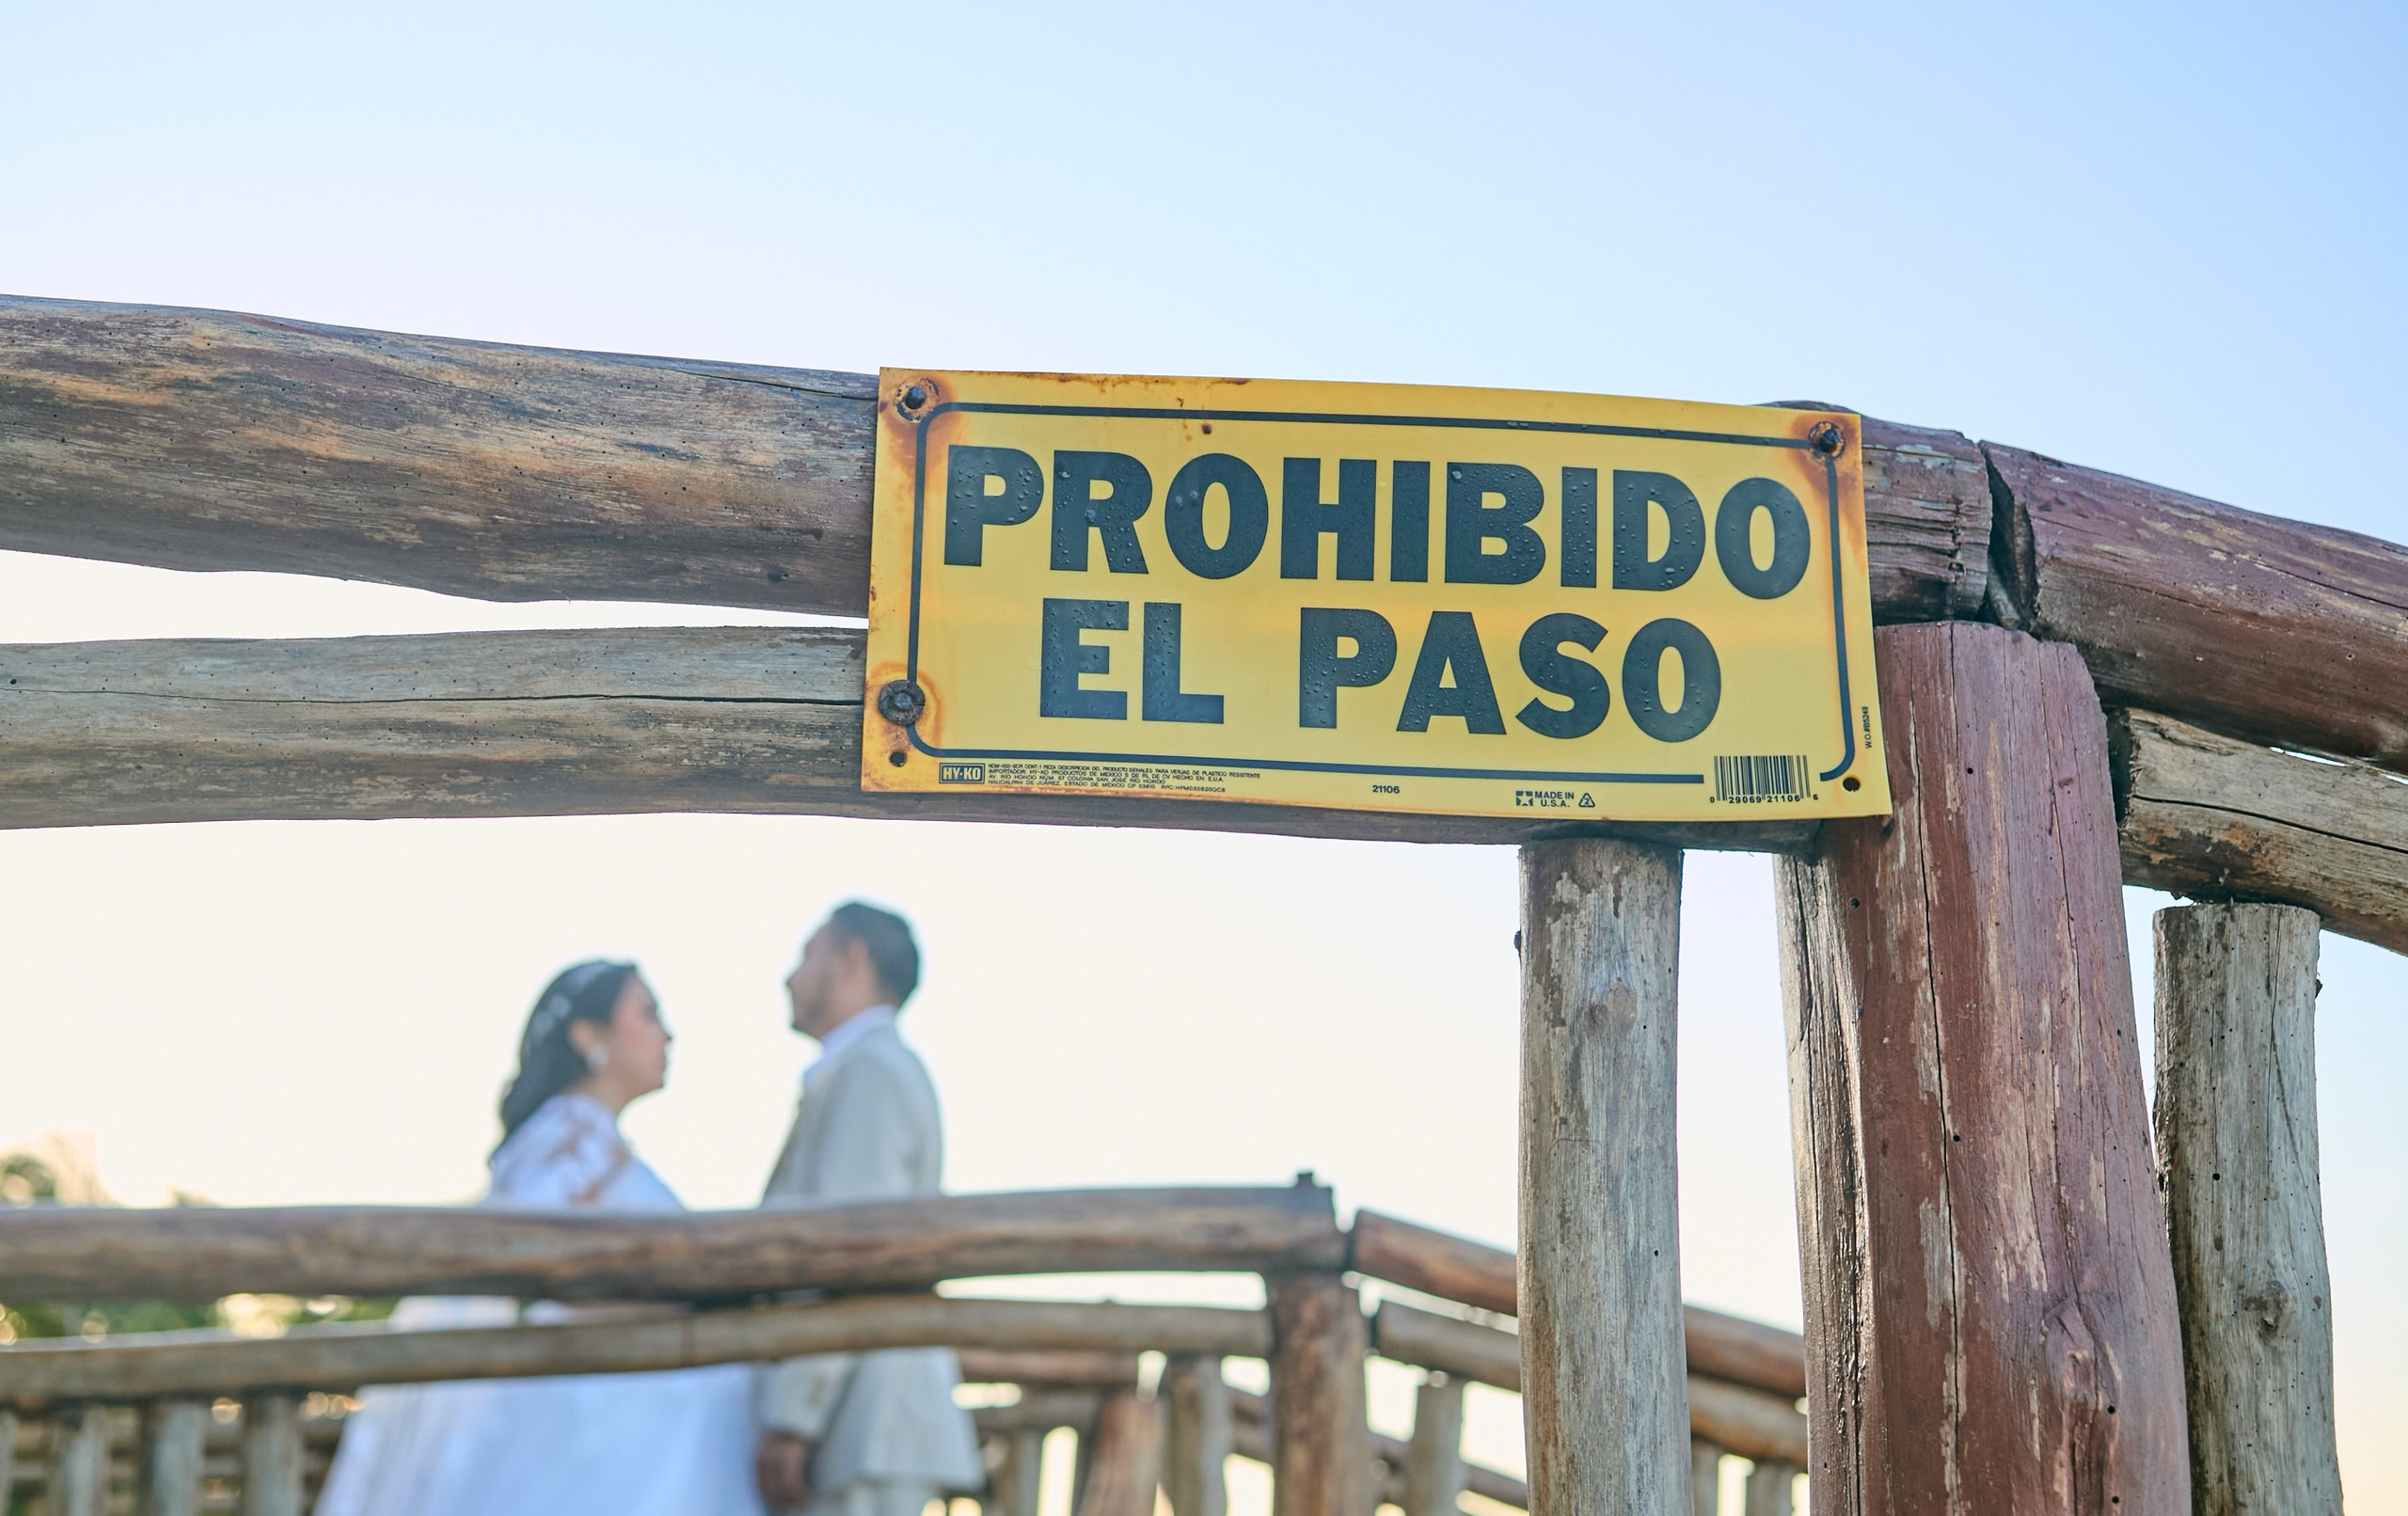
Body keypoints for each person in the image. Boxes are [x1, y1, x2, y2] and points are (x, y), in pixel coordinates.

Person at [316, 960, 766, 1516]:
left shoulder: (585, 1137)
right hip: (604, 1417)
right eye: (648, 1014)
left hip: (620, 1410)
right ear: (589, 1036)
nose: (667, 1034)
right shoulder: (571, 1140)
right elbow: (545, 1271)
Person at [753, 905, 981, 1516]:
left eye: (807, 955)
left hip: (863, 1421)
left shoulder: (869, 1073)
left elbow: (850, 1250)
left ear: (850, 958)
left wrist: (794, 1416)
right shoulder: (868, 1068)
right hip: (863, 1421)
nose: (790, 977)